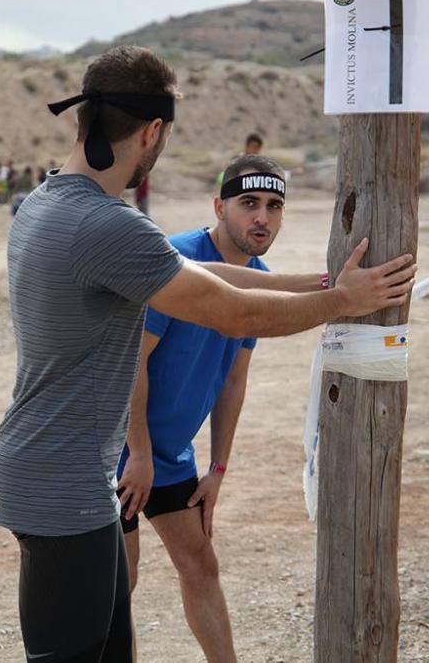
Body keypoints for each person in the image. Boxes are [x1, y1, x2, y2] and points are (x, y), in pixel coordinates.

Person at [0, 45, 416, 663]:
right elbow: (234, 311)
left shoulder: (45, 204)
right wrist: (342, 304)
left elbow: (214, 276)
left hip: (57, 474)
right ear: (154, 131)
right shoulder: (110, 226)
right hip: (62, 488)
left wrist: (326, 285)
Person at [118, 153, 300, 661]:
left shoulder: (260, 279)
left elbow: (233, 381)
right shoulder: (177, 260)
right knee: (118, 584)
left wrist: (217, 468)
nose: (261, 217)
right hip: (119, 450)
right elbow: (131, 361)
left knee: (200, 564)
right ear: (220, 207)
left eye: (273, 205)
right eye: (249, 204)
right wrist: (137, 453)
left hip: (169, 453)